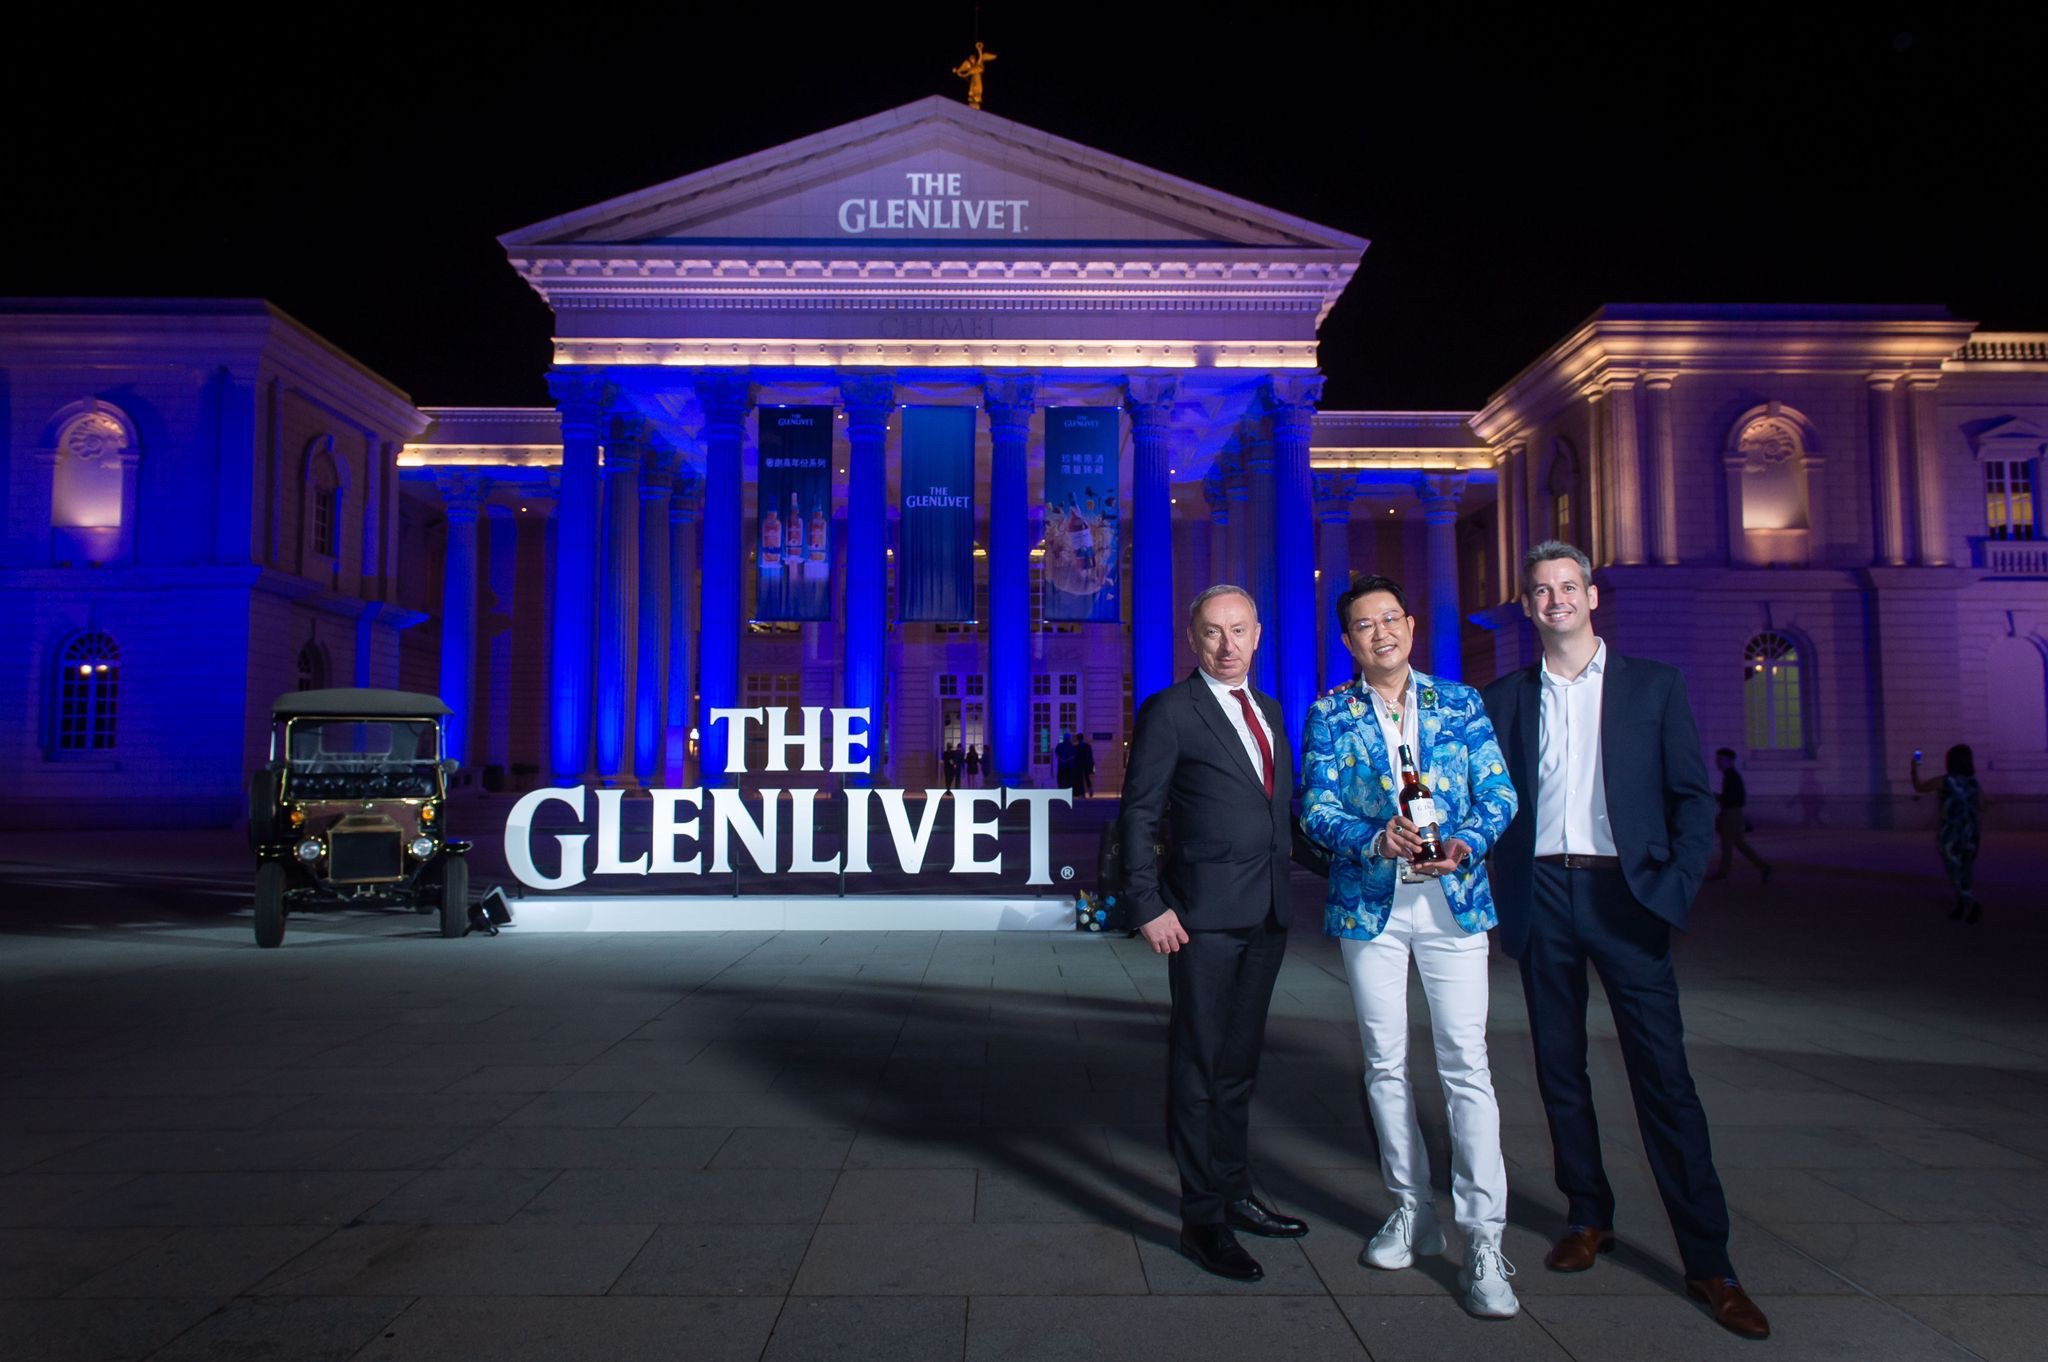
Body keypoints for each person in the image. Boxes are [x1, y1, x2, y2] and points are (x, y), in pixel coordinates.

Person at [1480, 541, 1770, 1342]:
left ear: (1592, 596)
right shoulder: (1503, 698)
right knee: (1559, 1068)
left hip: (1626, 895)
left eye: (1568, 586)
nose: (1556, 600)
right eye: (1542, 590)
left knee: (1664, 1078)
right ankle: (1587, 1214)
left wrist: (1672, 889)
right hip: (1541, 893)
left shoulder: (1653, 686)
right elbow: (1483, 800)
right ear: (1528, 605)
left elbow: (1692, 799)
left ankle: (1710, 1261)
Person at [1301, 574, 1521, 1318]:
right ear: (1349, 641)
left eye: (1390, 618)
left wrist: (1466, 840)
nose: (1381, 633)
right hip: (1373, 909)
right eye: (1365, 625)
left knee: (1467, 1065)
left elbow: (1500, 794)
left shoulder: (1461, 703)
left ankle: (1484, 1237)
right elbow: (1315, 808)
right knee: (1385, 1064)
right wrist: (1374, 838)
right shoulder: (1329, 714)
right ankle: (1410, 1210)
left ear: (1411, 625)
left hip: (1454, 905)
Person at [1120, 584, 1305, 1282]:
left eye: (1239, 630)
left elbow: (1277, 815)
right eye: (1212, 633)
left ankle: (1234, 1192)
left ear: (1257, 634)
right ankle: (1202, 1220)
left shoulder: (1270, 711)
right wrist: (1147, 904)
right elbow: (1139, 813)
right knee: (1198, 1067)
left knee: (1238, 1067)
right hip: (1201, 918)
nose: (1227, 646)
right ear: (1193, 639)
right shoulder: (1171, 711)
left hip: (1267, 914)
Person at [1911, 745, 1982, 922]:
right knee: (1965, 869)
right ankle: (1963, 903)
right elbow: (1982, 805)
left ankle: (1970, 902)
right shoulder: (1973, 782)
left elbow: (1919, 787)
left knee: (1954, 869)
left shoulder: (1945, 781)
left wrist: (1914, 768)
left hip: (1951, 832)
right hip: (1971, 831)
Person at [1706, 748, 1772, 884]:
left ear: (1730, 761)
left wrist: (1719, 797)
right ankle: (1764, 867)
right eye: (1717, 759)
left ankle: (1723, 874)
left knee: (1727, 846)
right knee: (1740, 844)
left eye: (1721, 759)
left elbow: (1736, 798)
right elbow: (1737, 797)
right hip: (1734, 813)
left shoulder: (1731, 776)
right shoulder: (1731, 775)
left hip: (1731, 814)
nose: (1718, 762)